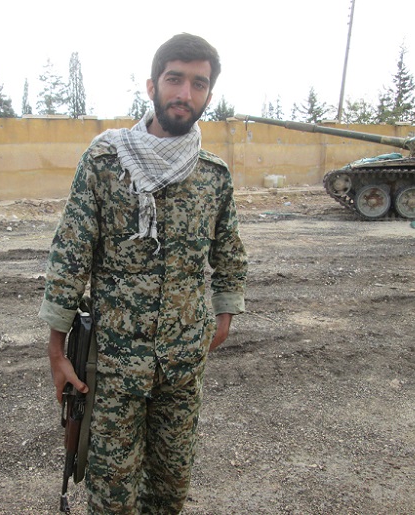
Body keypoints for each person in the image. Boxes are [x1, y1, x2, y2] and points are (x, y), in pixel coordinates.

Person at [39, 33, 248, 514]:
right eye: (175, 79)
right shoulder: (106, 162)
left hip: (183, 367)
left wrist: (223, 317)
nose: (185, 93)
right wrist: (56, 350)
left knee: (169, 492)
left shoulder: (213, 175)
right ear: (152, 85)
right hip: (112, 368)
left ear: (209, 95)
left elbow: (229, 252)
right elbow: (70, 254)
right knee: (111, 497)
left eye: (198, 84)